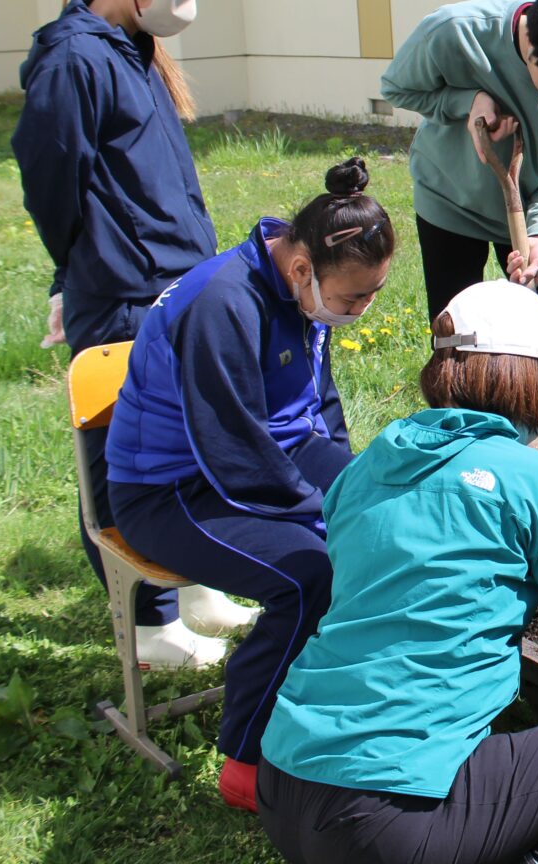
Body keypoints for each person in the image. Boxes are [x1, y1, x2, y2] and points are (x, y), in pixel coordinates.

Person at [257, 280, 538, 864]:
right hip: (386, 821)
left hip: (284, 781)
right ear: (530, 382)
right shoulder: (530, 482)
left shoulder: (366, 468)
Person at [105, 159, 396, 810]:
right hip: (171, 490)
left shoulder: (302, 283)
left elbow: (319, 411)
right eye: (354, 299)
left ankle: (334, 698)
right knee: (308, 575)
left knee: (386, 520)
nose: (361, 309)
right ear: (301, 270)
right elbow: (229, 449)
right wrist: (317, 514)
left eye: (371, 294)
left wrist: (352, 494)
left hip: (263, 457)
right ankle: (246, 754)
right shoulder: (220, 303)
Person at [12, 0, 252, 669]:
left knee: (191, 441)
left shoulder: (135, 45)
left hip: (175, 283)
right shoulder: (73, 60)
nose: (191, 6)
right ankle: (149, 626)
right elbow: (52, 181)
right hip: (123, 294)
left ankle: (194, 587)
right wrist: (78, 273)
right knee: (127, 454)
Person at [380, 0, 538, 451]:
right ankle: (467, 450)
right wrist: (467, 100)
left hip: (531, 203)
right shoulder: (455, 33)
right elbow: (397, 87)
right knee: (459, 342)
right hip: (451, 202)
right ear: (529, 45)